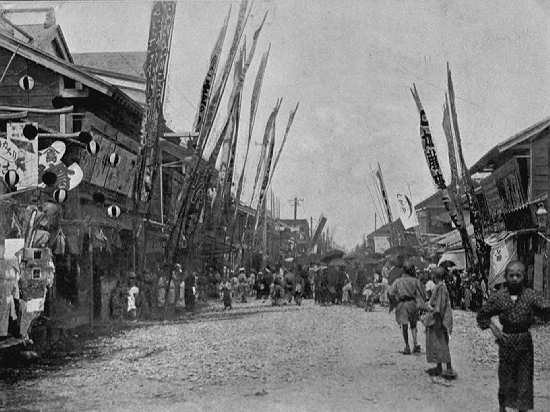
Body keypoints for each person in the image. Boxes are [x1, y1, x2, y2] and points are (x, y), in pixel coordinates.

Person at [477, 261, 550, 412]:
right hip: (506, 342)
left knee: (524, 381)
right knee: (505, 379)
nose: (515, 278)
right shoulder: (499, 297)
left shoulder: (530, 295)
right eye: (511, 275)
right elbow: (482, 315)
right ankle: (502, 408)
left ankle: (522, 410)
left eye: (519, 275)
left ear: (524, 277)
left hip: (524, 344)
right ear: (505, 277)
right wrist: (494, 329)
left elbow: (545, 309)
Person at [422, 267, 456, 379]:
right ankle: (439, 366)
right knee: (437, 343)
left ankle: (449, 368)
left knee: (441, 343)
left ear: (435, 276)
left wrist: (431, 309)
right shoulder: (440, 287)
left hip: (438, 319)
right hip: (438, 318)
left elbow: (439, 306)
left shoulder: (440, 287)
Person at [387, 262, 425, 354]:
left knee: (404, 326)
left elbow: (390, 293)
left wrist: (394, 302)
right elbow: (423, 293)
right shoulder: (415, 281)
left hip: (402, 304)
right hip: (412, 304)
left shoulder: (398, 281)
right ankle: (415, 345)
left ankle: (407, 346)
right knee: (413, 325)